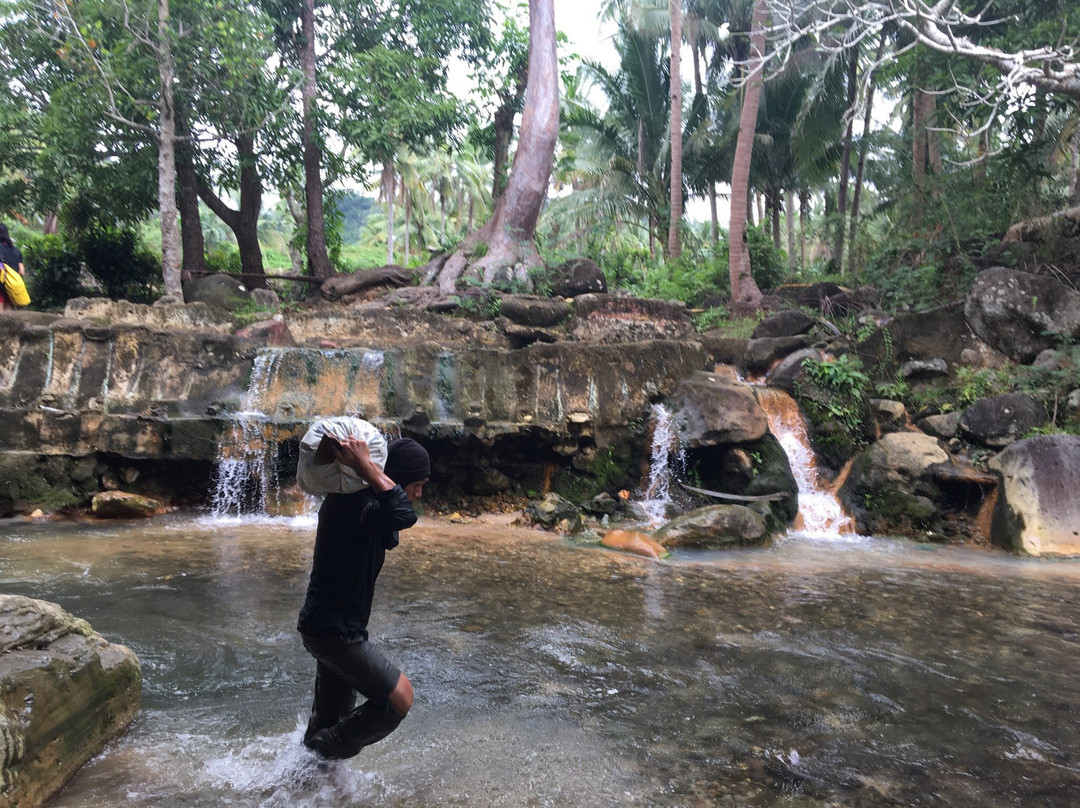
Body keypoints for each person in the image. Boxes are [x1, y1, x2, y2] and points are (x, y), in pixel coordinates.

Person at [297, 434, 430, 760]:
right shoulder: (352, 505)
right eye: (416, 483)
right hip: (336, 632)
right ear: (392, 476)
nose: (418, 493)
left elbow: (395, 521)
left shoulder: (366, 508)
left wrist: (370, 471)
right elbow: (403, 514)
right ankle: (319, 753)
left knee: (329, 720)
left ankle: (304, 778)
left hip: (328, 628)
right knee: (400, 696)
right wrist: (367, 467)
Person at [0, 223, 26, 311]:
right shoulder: (16, 251)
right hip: (10, 287)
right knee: (8, 319)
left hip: (0, 283)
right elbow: (22, 271)